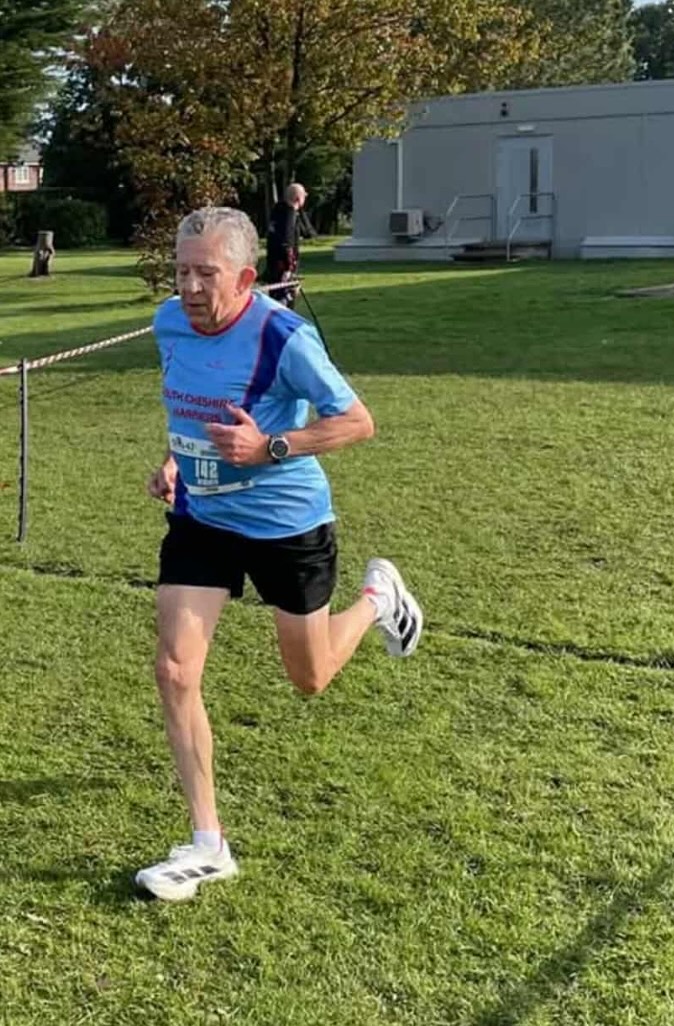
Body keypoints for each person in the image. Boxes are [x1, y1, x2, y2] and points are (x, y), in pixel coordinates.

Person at [136, 206, 423, 901]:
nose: (191, 289)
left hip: (285, 523)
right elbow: (188, 409)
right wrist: (176, 463)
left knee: (310, 676)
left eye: (206, 274)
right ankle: (208, 844)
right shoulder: (169, 324)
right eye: (181, 272)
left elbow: (358, 421)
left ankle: (379, 597)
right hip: (201, 517)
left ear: (245, 276)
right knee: (175, 669)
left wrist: (270, 448)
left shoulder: (283, 338)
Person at [263, 182, 311, 308]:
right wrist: (289, 269)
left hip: (273, 264)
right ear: (298, 198)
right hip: (282, 267)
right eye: (304, 197)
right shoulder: (289, 215)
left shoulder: (278, 212)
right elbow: (287, 242)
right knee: (284, 302)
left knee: (276, 298)